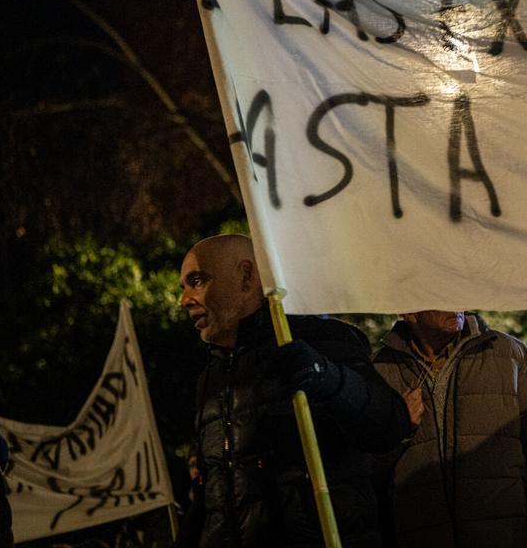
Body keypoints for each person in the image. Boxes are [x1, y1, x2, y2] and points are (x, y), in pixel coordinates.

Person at [175, 234, 422, 548]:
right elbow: (213, 494)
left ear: (247, 276)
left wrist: (327, 377)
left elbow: (387, 426)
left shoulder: (321, 338)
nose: (184, 300)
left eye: (197, 281)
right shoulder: (210, 378)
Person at [372, 310, 527, 548]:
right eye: (442, 294)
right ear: (411, 312)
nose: (456, 305)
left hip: (505, 535)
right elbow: (365, 471)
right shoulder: (379, 372)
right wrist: (398, 427)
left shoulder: (510, 355)